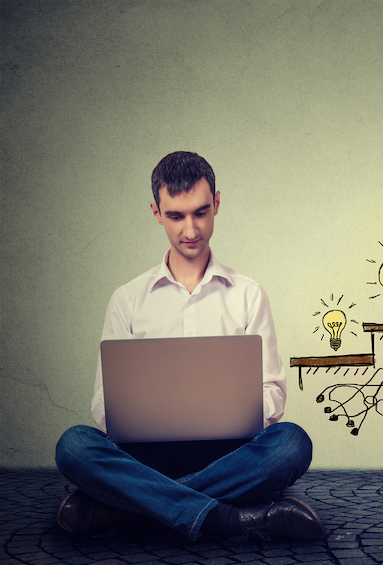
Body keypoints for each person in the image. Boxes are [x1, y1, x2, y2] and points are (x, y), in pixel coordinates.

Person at [54, 151, 325, 542]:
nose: (191, 229)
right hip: (147, 458)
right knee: (74, 445)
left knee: (292, 443)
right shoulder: (127, 299)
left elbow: (273, 394)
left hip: (230, 455)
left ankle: (130, 507)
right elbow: (103, 406)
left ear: (216, 203)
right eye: (176, 216)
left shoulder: (248, 294)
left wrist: (229, 411)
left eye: (200, 212)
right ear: (156, 212)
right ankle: (232, 519)